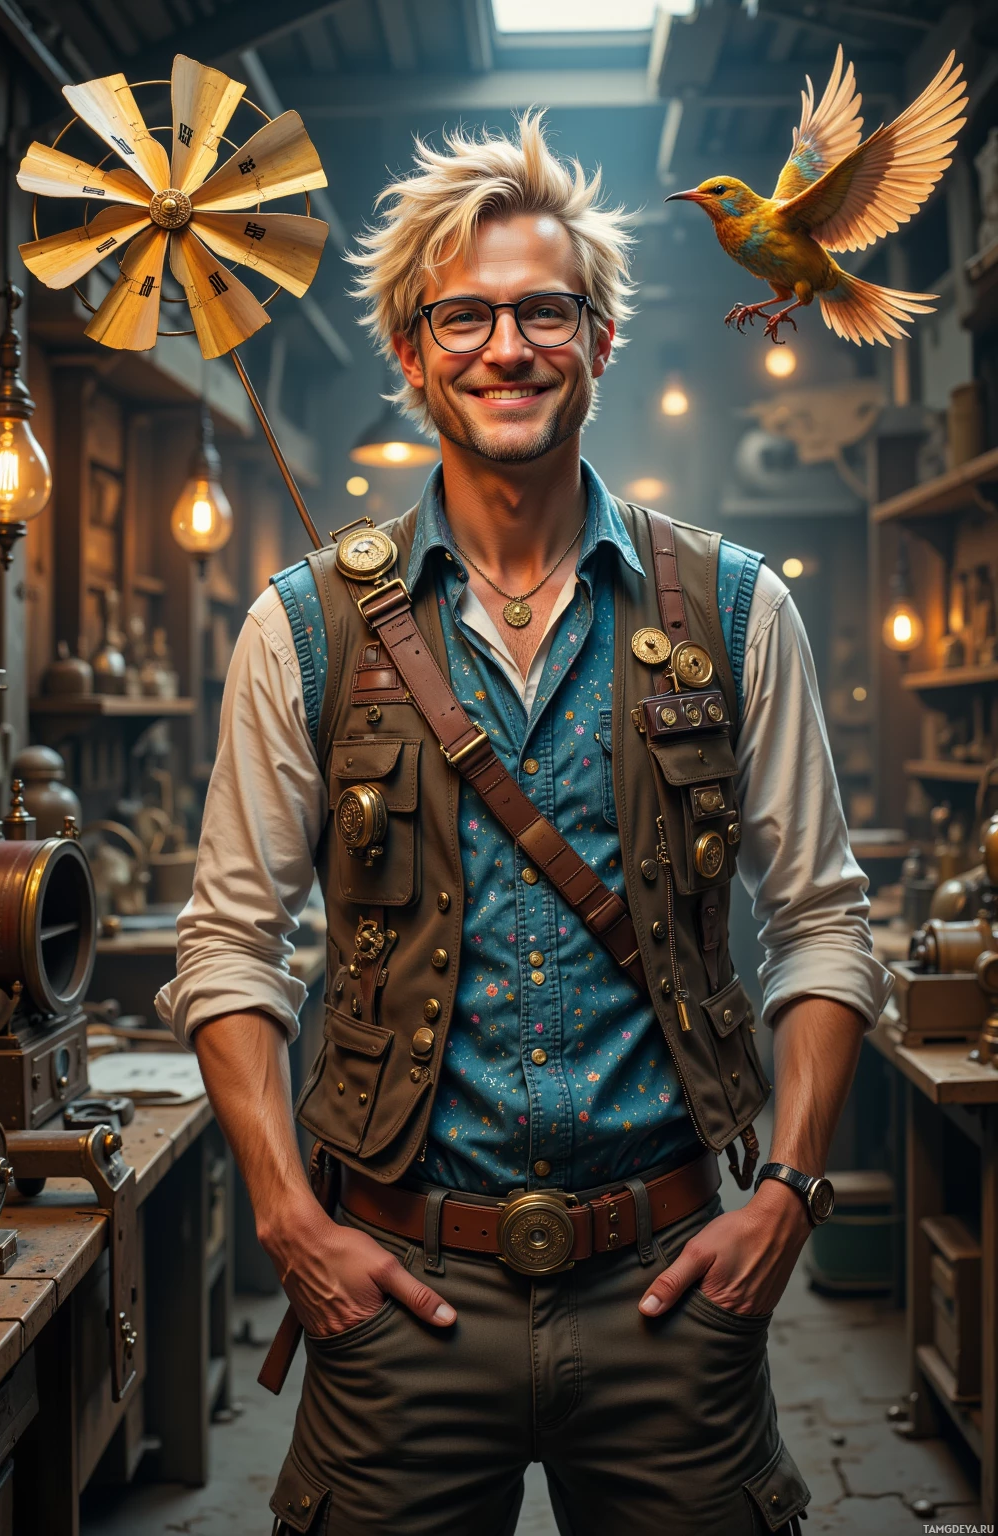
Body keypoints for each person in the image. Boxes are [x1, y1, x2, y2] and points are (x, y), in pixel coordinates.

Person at [156, 113, 891, 1536]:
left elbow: (822, 921)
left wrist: (790, 1194)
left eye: (546, 312)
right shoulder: (302, 629)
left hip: (674, 1291)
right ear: (414, 351)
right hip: (397, 1302)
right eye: (467, 317)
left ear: (599, 341)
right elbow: (230, 944)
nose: (509, 347)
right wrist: (291, 1222)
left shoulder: (737, 609)